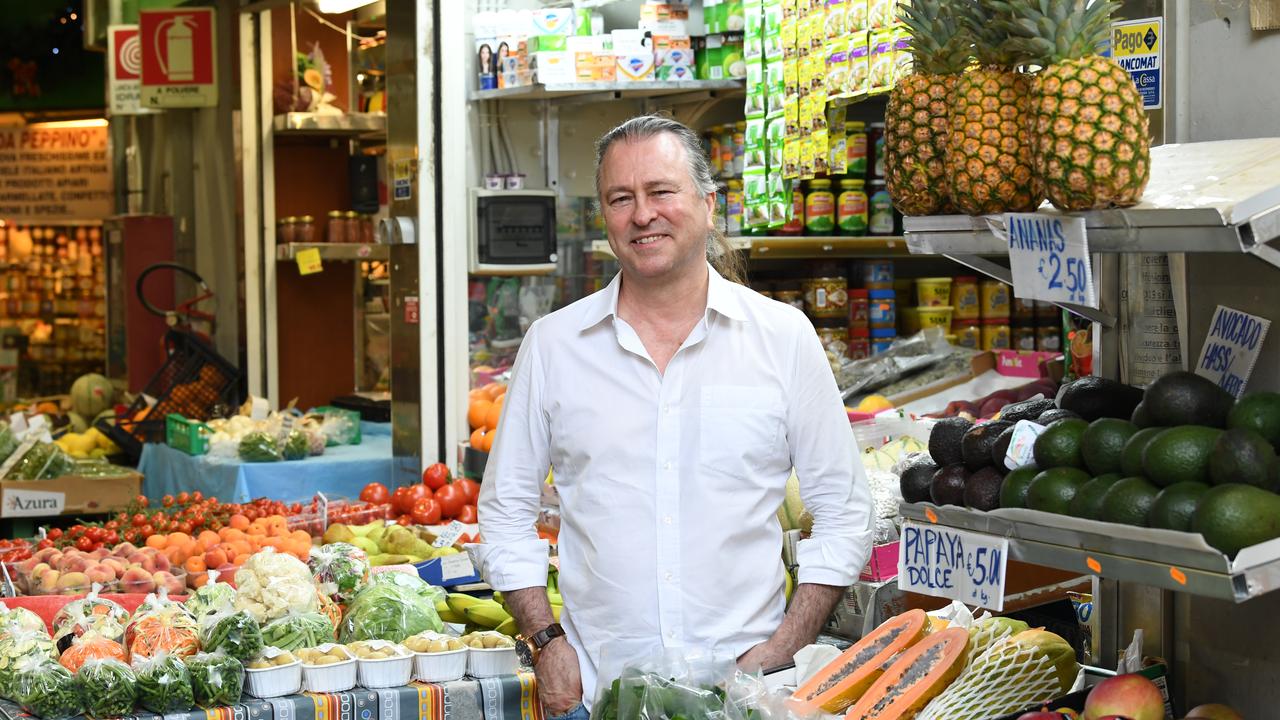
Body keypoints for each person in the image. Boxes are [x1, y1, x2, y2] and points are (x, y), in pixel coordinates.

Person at [471, 115, 873, 720]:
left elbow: (845, 512)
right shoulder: (554, 345)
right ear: (604, 217)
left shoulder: (782, 337)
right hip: (597, 692)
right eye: (621, 198)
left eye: (661, 192)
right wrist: (546, 643)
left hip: (746, 693)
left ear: (709, 206)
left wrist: (786, 647)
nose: (642, 215)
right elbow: (504, 513)